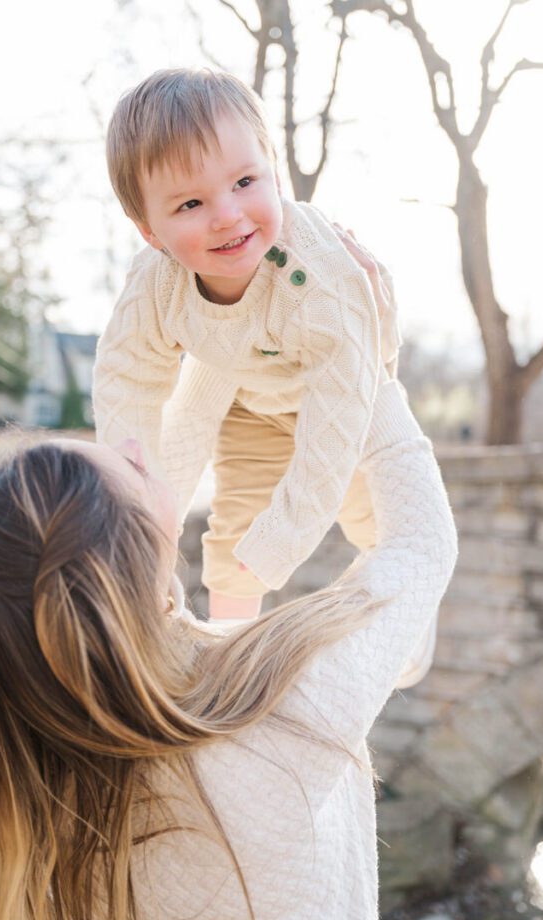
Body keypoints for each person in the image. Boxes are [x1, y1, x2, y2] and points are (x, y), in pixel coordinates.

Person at [0, 361, 457, 920]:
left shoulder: (31, 750)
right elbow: (419, 543)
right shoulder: (280, 718)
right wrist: (360, 358)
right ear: (139, 563)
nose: (138, 447)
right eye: (131, 469)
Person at [93, 66, 438, 688]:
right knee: (235, 528)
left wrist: (278, 545)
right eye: (191, 204)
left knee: (370, 521)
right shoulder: (155, 282)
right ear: (150, 232)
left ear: (273, 172)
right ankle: (230, 660)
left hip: (348, 390)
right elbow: (128, 383)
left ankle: (402, 633)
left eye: (246, 182)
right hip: (246, 390)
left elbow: (329, 443)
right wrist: (142, 507)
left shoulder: (323, 280)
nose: (228, 215)